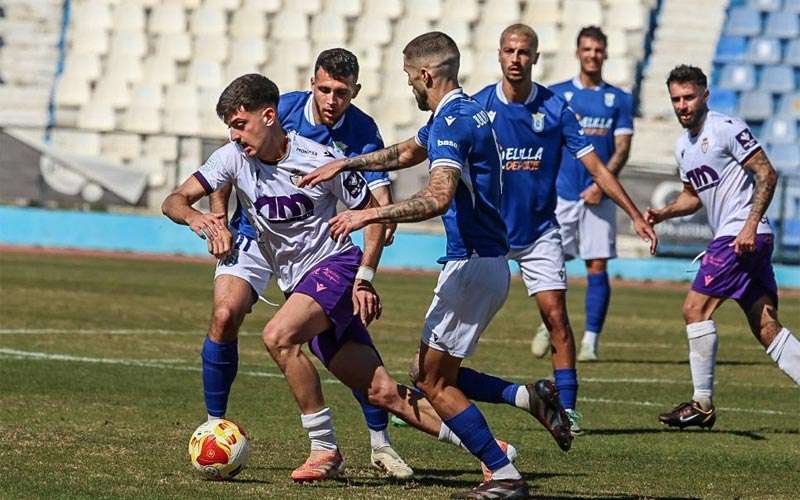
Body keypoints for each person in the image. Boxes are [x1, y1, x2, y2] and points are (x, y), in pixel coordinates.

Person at [162, 74, 519, 487]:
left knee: (278, 336)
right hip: (300, 285)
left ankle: (324, 448)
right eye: (230, 127)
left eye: (240, 124)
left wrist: (364, 278)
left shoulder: (318, 159)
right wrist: (201, 219)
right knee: (382, 392)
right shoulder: (231, 158)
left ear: (269, 116)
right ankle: (493, 451)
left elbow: (371, 216)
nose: (234, 134)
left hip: (337, 268)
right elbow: (174, 200)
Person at [301, 32, 575, 500]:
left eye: (410, 77)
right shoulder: (467, 111)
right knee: (427, 370)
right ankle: (528, 397)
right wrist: (347, 164)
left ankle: (502, 473)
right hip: (483, 262)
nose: (409, 86)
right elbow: (406, 151)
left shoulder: (452, 122)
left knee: (431, 380)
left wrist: (368, 213)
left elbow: (437, 195)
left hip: (471, 264)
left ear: (426, 74)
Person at [207, 48, 410, 479]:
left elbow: (376, 190)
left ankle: (379, 442)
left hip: (311, 246)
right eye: (324, 89)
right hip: (253, 236)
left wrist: (381, 219)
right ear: (311, 83)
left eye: (342, 92)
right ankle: (214, 425)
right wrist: (218, 217)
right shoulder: (281, 111)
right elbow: (224, 167)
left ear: (355, 91)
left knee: (343, 334)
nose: (331, 100)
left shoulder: (362, 131)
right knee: (225, 313)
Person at [472, 24, 657, 436]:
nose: (516, 59)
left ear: (536, 58)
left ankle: (568, 411)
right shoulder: (479, 106)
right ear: (499, 55)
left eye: (524, 52)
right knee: (461, 320)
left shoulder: (556, 109)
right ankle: (429, 388)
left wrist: (634, 214)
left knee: (557, 318)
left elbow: (597, 167)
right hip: (489, 235)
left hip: (539, 233)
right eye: (509, 50)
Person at [649, 65, 799, 429]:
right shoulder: (682, 147)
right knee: (767, 327)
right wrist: (663, 213)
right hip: (744, 239)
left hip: (740, 237)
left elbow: (767, 172)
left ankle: (702, 404)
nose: (682, 105)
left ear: (704, 95)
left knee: (694, 310)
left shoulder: (725, 128)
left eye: (688, 97)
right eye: (676, 100)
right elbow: (691, 197)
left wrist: (748, 226)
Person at [539, 26, 636, 362]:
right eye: (587, 49)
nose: (593, 55)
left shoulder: (619, 99)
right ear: (578, 52)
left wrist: (600, 184)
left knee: (596, 265)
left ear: (605, 54)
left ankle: (591, 340)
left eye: (598, 49)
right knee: (552, 262)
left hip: (599, 197)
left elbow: (622, 148)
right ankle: (549, 323)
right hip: (562, 193)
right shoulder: (556, 94)